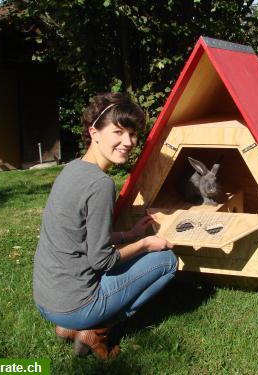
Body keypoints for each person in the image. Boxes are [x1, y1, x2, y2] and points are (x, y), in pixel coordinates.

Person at [33, 92, 177, 360]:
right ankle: (97, 329)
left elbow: (78, 235)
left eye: (133, 134)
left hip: (46, 300)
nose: (128, 142)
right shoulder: (100, 184)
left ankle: (70, 327)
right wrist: (145, 243)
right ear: (94, 132)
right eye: (118, 132)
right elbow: (102, 260)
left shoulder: (72, 169)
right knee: (166, 260)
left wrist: (127, 234)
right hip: (75, 304)